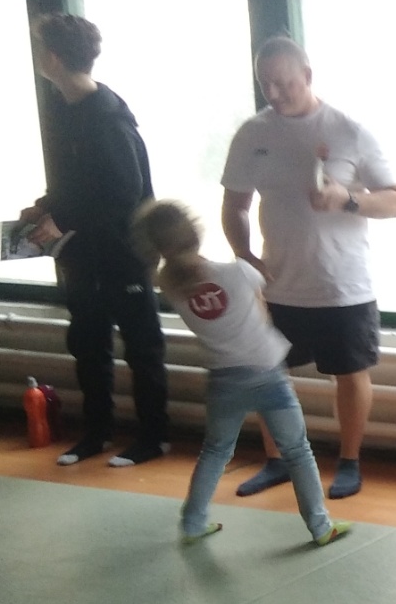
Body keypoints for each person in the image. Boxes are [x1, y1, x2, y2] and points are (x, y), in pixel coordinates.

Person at [221, 36, 396, 500]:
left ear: (307, 76)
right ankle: (277, 460)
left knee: (350, 373)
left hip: (343, 282)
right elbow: (235, 205)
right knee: (268, 372)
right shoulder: (252, 134)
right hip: (278, 283)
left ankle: (349, 462)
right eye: (266, 84)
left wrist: (348, 200)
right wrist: (244, 255)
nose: (275, 93)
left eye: (284, 83)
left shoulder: (349, 131)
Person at [131, 200, 351, 547]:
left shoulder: (171, 287)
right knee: (297, 451)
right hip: (267, 373)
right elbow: (261, 299)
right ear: (194, 233)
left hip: (223, 380)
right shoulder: (238, 273)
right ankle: (320, 526)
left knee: (215, 450)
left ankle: (193, 522)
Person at [22, 13, 168, 468]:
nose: (36, 55)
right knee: (88, 343)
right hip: (82, 252)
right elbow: (72, 183)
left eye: (39, 47)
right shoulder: (62, 108)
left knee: (142, 347)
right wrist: (45, 207)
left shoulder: (107, 117)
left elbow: (124, 193)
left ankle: (154, 437)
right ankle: (97, 432)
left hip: (125, 251)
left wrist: (64, 220)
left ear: (53, 57)